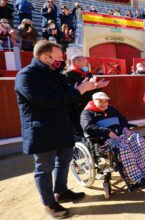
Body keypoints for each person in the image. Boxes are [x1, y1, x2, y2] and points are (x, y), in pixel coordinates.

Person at [15, 40, 97, 218]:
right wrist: (78, 91)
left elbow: (68, 97)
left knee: (64, 161)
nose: (62, 60)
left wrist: (87, 88)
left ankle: (61, 191)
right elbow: (48, 101)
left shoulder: (57, 74)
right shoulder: (26, 76)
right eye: (59, 57)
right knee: (44, 169)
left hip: (62, 127)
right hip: (42, 131)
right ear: (45, 57)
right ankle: (49, 203)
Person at [81, 92, 145, 190]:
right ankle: (136, 179)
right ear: (94, 101)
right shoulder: (87, 113)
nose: (103, 103)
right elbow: (88, 128)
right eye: (100, 101)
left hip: (120, 136)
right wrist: (107, 132)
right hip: (104, 142)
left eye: (105, 101)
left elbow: (122, 119)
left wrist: (125, 128)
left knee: (138, 139)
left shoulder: (111, 109)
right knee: (124, 147)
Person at [65, 55, 109, 136]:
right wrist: (84, 86)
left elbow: (92, 86)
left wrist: (98, 86)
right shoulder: (69, 74)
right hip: (77, 105)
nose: (86, 62)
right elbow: (71, 91)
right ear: (76, 62)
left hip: (88, 102)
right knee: (80, 125)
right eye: (84, 60)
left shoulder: (87, 73)